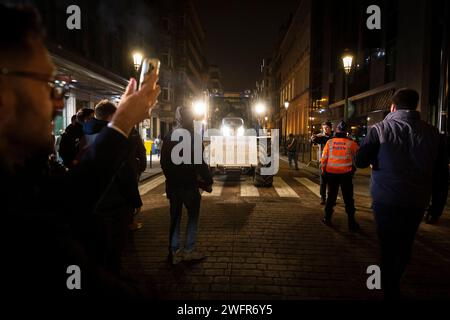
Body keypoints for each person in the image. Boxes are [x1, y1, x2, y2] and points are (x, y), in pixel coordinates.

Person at [0, 4, 160, 298]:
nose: (59, 104)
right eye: (47, 85)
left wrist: (123, 119)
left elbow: (71, 193)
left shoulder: (23, 175)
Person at [355, 88, 448, 299]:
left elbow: (359, 161)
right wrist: (437, 207)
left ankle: (388, 286)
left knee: (386, 244)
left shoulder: (379, 129)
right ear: (415, 106)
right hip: (416, 201)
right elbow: (442, 175)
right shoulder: (434, 134)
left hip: (386, 199)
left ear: (392, 107)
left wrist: (374, 158)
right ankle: (394, 279)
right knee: (406, 243)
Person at [78, 100, 146, 274]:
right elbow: (126, 170)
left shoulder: (84, 132)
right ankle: (114, 278)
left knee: (95, 245)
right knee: (115, 247)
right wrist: (135, 199)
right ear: (110, 116)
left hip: (90, 199)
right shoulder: (116, 137)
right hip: (116, 199)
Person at [161, 106, 213, 265]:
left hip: (174, 186)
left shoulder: (169, 136)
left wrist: (171, 178)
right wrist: (208, 179)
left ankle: (174, 252)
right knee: (192, 218)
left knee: (175, 219)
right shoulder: (194, 137)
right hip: (190, 185)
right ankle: (189, 250)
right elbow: (200, 163)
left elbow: (164, 162)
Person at [320, 120, 360, 232]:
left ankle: (327, 218)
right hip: (346, 175)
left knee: (331, 197)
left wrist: (324, 170)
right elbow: (359, 156)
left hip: (332, 174)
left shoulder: (330, 142)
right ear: (346, 131)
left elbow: (324, 159)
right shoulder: (351, 143)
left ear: (337, 130)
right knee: (348, 199)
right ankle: (351, 222)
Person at [311, 121, 333, 204]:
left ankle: (330, 197)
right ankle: (323, 198)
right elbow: (314, 140)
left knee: (331, 182)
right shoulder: (321, 136)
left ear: (330, 128)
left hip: (332, 161)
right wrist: (313, 137)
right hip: (323, 161)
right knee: (323, 182)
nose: (325, 129)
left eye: (327, 127)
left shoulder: (333, 137)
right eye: (324, 128)